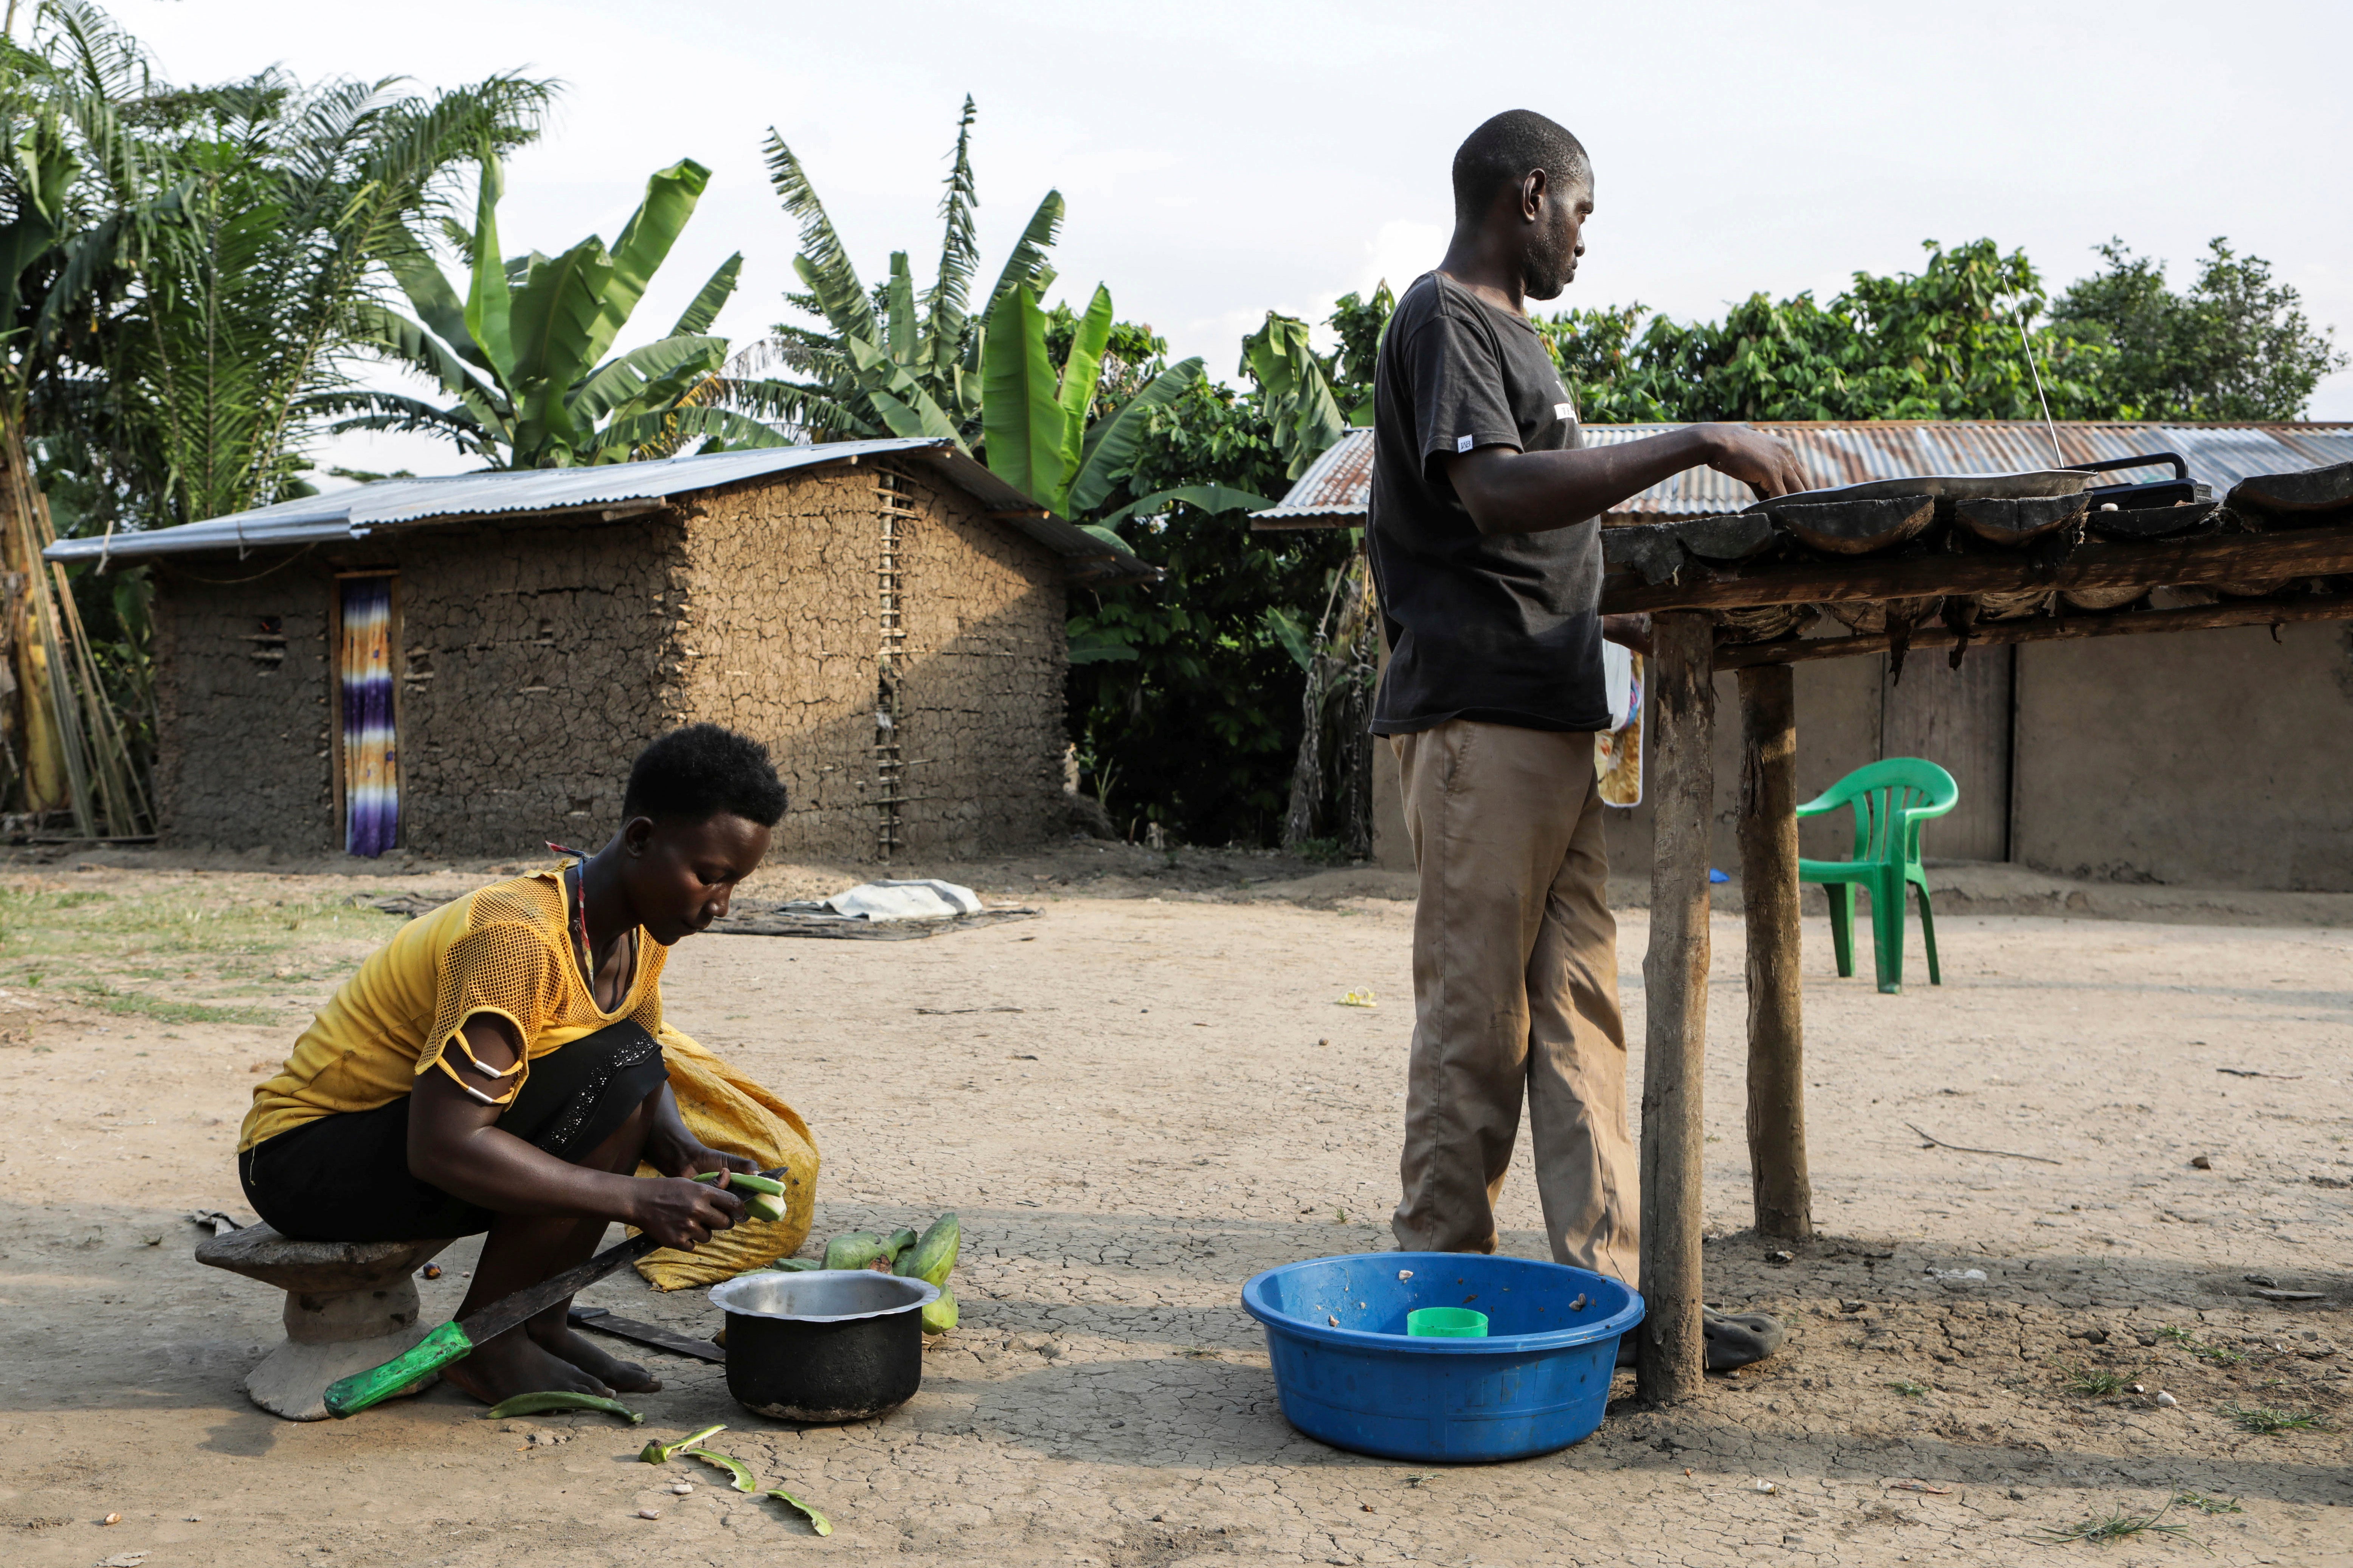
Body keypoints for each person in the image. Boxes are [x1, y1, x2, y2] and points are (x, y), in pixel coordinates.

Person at [1369, 110, 1804, 1368]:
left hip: (1547, 717)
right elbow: (1494, 493)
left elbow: (1511, 552)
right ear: (1529, 193)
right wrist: (1697, 441)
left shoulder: (1511, 334)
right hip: (1478, 725)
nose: (1581, 241)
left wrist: (1608, 617)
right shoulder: (1446, 318)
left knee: (1577, 1013)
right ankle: (1431, 1306)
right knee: (1476, 1023)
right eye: (1580, 215)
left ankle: (1607, 1307)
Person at [236, 724, 797, 1403]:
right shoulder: (515, 940)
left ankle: (539, 1320)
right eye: (708, 877)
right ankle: (488, 1342)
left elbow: (639, 1054)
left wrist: (681, 1150)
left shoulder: (637, 935)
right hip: (303, 1159)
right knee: (609, 1073)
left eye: (734, 885)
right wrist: (635, 1198)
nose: (719, 907)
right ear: (642, 839)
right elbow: (444, 1148)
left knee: (625, 1062)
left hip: (399, 1139)